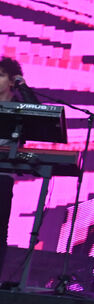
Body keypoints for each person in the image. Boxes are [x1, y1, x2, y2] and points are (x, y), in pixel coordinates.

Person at [0, 57, 35, 281]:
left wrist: (23, 85)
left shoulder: (19, 109)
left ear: (12, 81)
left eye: (1, 75)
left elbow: (40, 112)